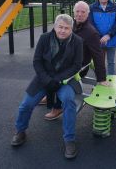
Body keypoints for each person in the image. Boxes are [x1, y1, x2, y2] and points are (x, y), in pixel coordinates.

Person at [11, 14, 83, 159]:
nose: (63, 31)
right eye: (60, 27)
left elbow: (76, 65)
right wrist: (47, 80)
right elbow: (37, 61)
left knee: (69, 102)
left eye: (66, 28)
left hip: (64, 80)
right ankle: (20, 131)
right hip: (44, 78)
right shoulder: (45, 38)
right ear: (55, 27)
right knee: (26, 104)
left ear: (72, 29)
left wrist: (58, 80)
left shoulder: (78, 41)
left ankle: (69, 140)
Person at [44, 1, 109, 120]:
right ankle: (49, 95)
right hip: (64, 61)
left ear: (87, 14)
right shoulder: (70, 25)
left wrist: (101, 78)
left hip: (79, 67)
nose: (79, 14)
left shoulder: (91, 32)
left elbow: (98, 56)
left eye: (83, 12)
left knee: (60, 74)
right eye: (77, 11)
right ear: (73, 13)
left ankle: (58, 107)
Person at [89, 0, 116, 75]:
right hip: (98, 40)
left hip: (112, 39)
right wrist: (100, 36)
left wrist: (108, 35)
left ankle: (111, 80)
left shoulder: (115, 7)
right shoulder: (92, 8)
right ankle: (101, 80)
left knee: (111, 62)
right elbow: (91, 24)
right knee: (99, 62)